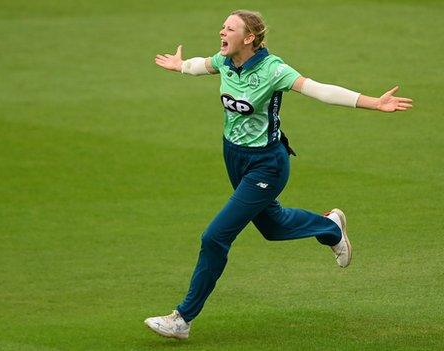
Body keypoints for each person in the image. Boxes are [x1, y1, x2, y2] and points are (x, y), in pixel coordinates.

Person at [145, 9, 413, 339]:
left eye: (230, 29)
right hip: (234, 156)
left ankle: (182, 319)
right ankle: (330, 227)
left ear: (249, 38)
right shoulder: (227, 60)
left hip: (267, 164)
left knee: (214, 237)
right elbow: (205, 64)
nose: (221, 32)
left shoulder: (273, 70)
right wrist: (181, 66)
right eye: (222, 27)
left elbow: (319, 89)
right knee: (272, 226)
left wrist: (373, 102)